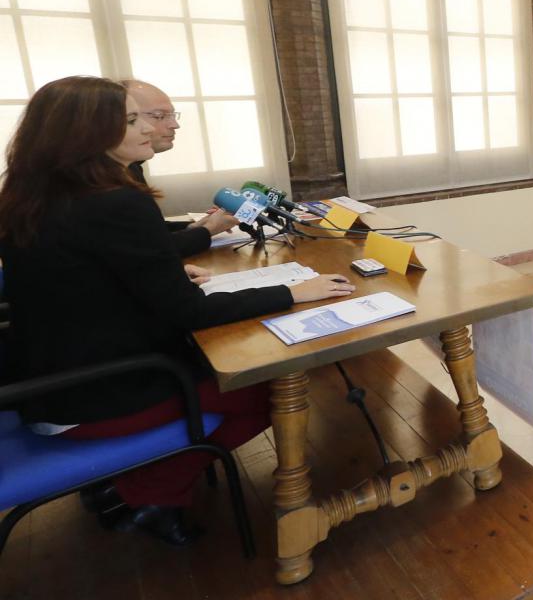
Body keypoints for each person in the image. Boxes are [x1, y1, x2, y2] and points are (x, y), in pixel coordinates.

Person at [0, 76, 355, 546]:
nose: (148, 130)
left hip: (41, 387)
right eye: (130, 121)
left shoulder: (29, 198)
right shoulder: (116, 202)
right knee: (271, 390)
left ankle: (125, 481)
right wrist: (296, 293)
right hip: (94, 395)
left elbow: (86, 277)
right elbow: (189, 313)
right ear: (85, 136)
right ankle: (146, 492)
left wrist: (154, 277)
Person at [123, 79, 239, 256]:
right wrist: (208, 230)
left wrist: (195, 226)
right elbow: (147, 251)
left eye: (172, 115)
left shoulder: (132, 167)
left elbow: (149, 233)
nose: (175, 125)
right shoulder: (107, 184)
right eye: (160, 116)